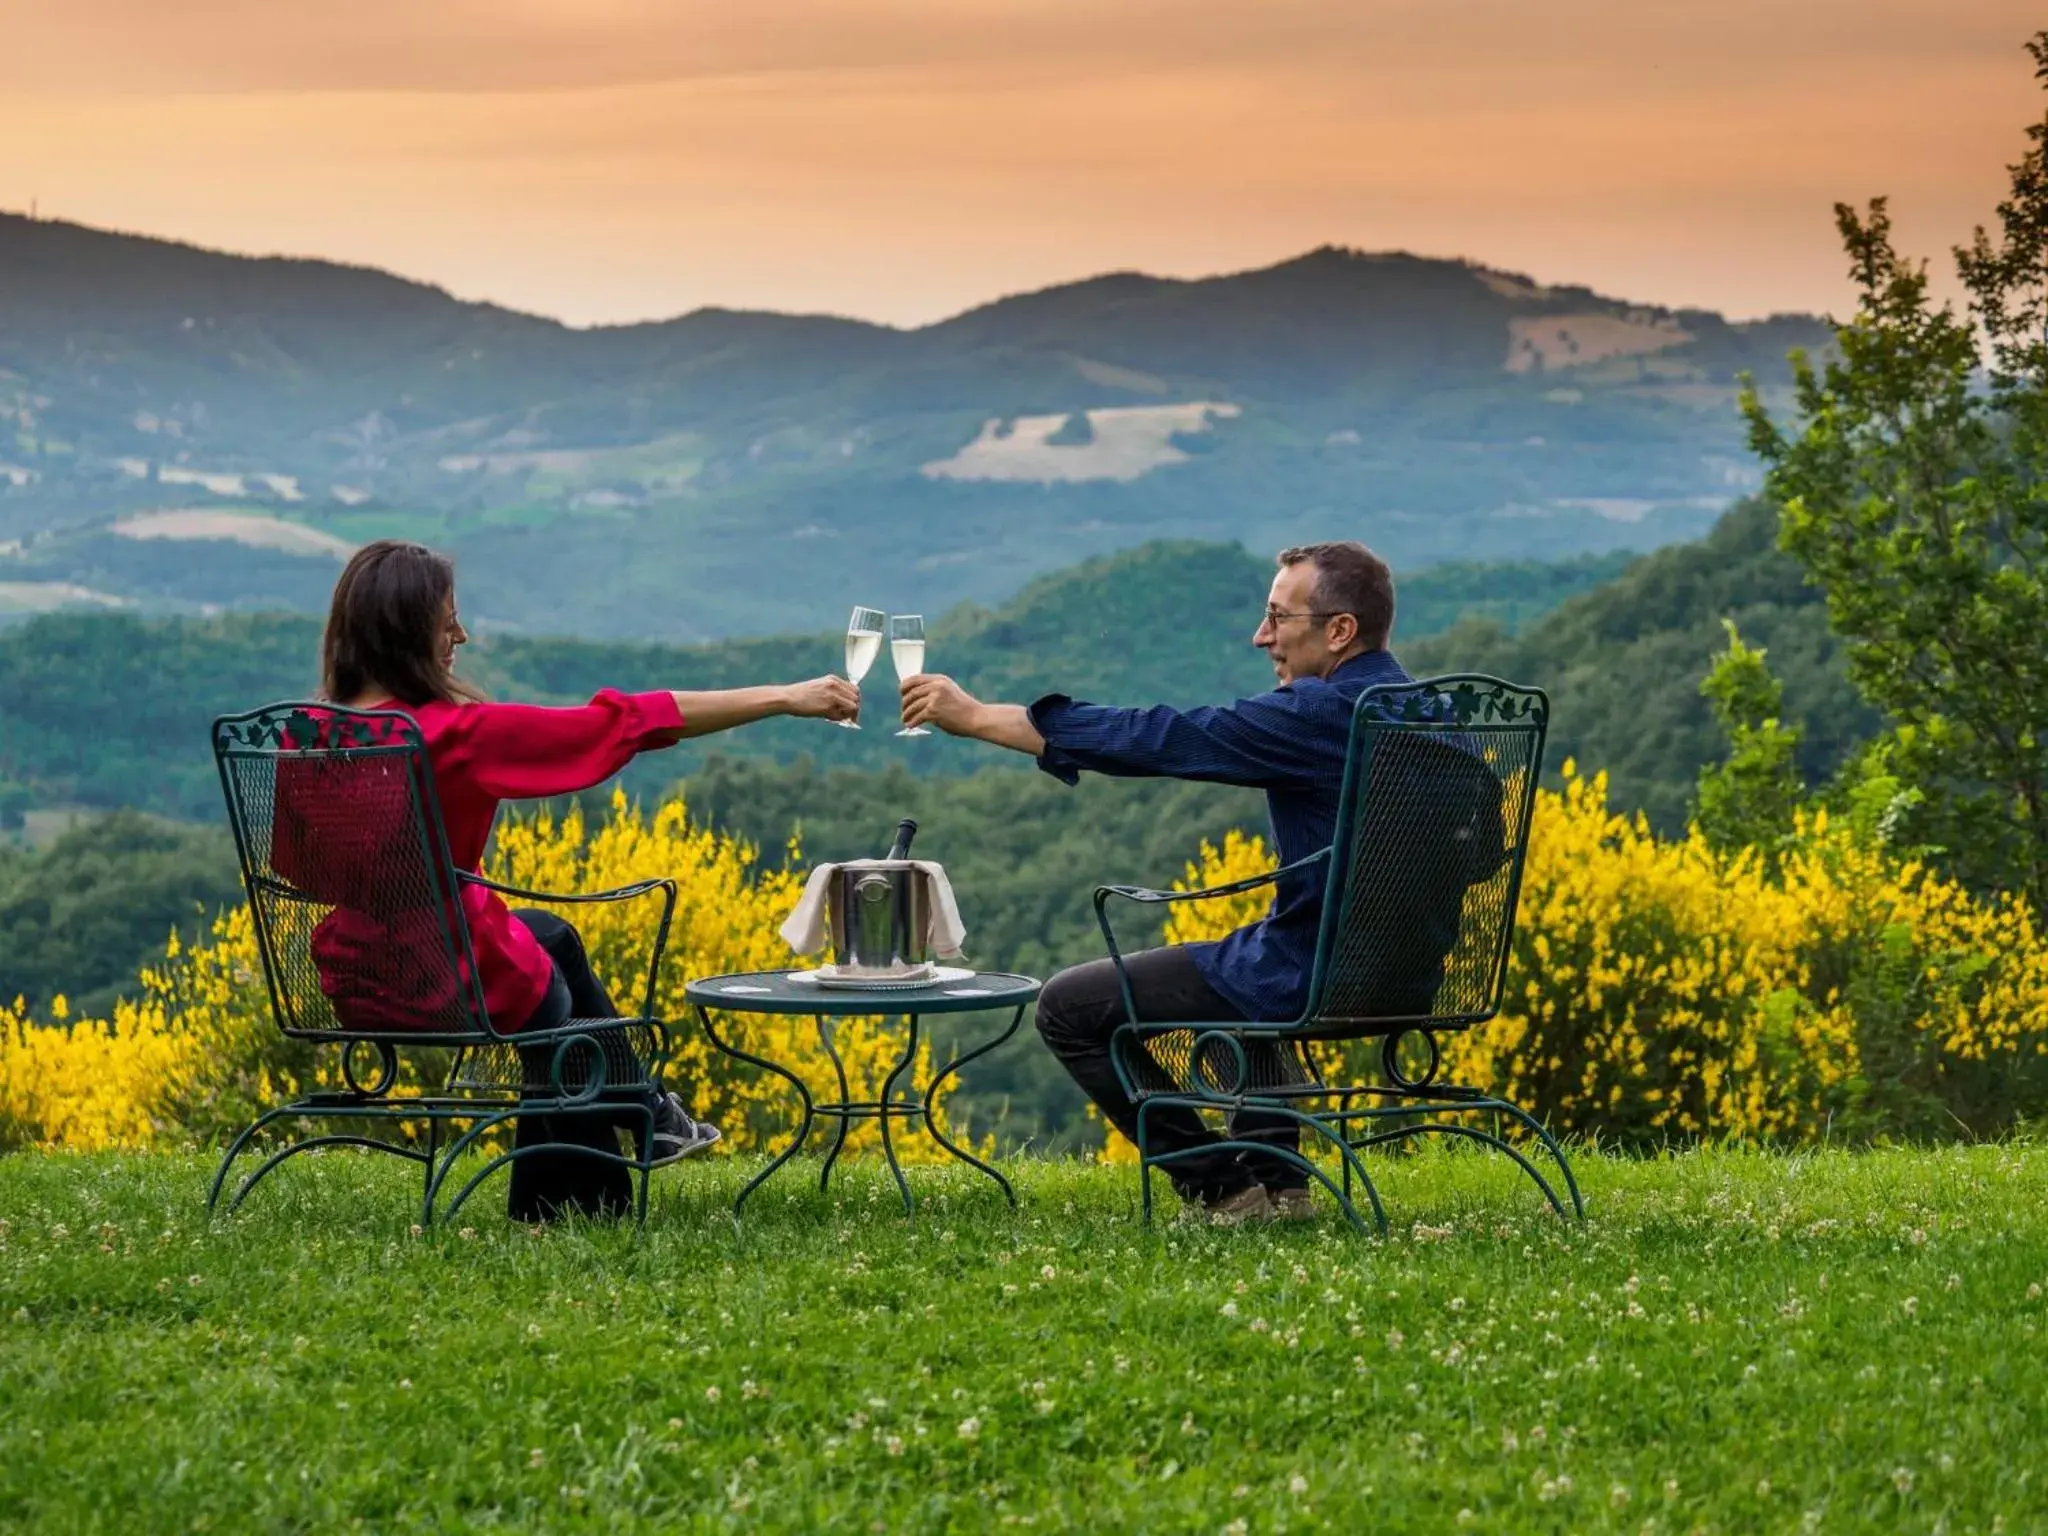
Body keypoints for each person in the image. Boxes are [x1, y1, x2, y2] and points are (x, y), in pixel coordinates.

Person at [300, 539, 858, 1221]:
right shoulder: (452, 733)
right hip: (441, 978)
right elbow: (618, 725)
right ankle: (574, 1203)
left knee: (549, 935)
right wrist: (784, 697)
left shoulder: (310, 734)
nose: (462, 636)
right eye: (449, 623)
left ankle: (646, 1108)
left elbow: (298, 868)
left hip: (353, 971)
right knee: (540, 991)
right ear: (406, 630)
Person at [899, 541, 1414, 1224]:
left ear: (1340, 630)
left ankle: (1219, 1188)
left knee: (1068, 1007)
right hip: (1409, 974)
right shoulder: (1434, 713)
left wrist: (979, 718)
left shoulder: (1321, 718)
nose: (1262, 637)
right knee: (1247, 962)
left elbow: (1163, 737)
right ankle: (1279, 1184)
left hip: (1311, 975)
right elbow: (1486, 847)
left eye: (1278, 619)